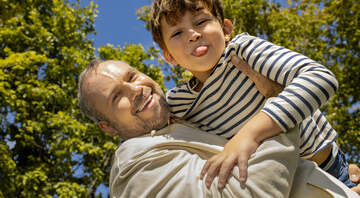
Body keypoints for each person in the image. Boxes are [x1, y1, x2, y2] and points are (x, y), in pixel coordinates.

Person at [149, 0, 356, 189]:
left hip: (329, 171)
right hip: (280, 189)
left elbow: (319, 77)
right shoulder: (178, 102)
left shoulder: (243, 51)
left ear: (226, 29)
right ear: (169, 56)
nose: (193, 35)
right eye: (177, 33)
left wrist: (249, 135)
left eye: (200, 22)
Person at [77, 59, 359, 197]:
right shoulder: (132, 163)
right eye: (116, 97)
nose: (135, 89)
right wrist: (276, 106)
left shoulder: (190, 116)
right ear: (108, 127)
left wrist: (336, 174)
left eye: (132, 75)